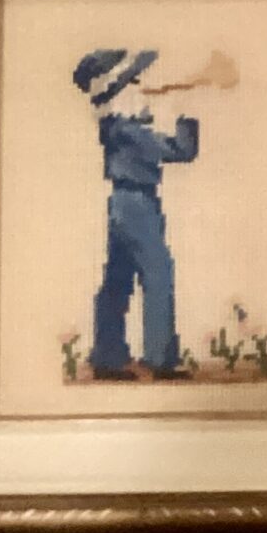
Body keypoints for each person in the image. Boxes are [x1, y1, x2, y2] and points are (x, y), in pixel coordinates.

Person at [72, 46, 200, 380]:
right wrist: (184, 112)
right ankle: (160, 359)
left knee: (118, 278)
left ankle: (107, 356)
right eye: (135, 81)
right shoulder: (128, 130)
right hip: (137, 204)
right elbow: (182, 151)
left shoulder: (118, 127)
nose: (144, 88)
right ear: (118, 94)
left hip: (123, 203)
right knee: (158, 273)